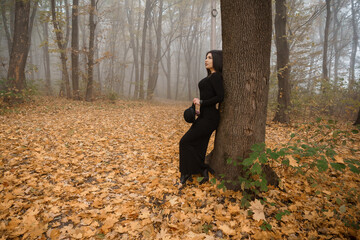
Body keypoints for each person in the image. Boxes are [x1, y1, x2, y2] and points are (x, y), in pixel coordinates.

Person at [179, 50, 224, 185]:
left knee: (185, 142)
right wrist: (196, 108)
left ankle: (186, 173)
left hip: (210, 118)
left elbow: (220, 97)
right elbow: (206, 97)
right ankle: (202, 170)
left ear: (216, 60)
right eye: (206, 57)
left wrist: (202, 102)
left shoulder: (216, 77)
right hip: (203, 116)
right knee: (198, 145)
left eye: (209, 58)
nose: (206, 60)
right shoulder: (209, 77)